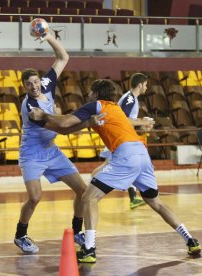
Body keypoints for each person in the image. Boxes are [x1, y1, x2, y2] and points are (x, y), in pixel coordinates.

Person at [29, 79, 201, 263]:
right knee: (155, 202)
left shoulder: (95, 105)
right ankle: (191, 241)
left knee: (88, 197)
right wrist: (46, 122)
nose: (88, 95)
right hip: (142, 154)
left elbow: (65, 122)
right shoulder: (115, 109)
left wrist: (44, 115)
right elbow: (66, 130)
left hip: (126, 154)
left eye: (90, 92)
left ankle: (89, 249)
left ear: (95, 94)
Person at [14, 31, 87, 254]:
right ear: (24, 87)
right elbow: (62, 128)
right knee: (35, 197)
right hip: (32, 154)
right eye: (29, 85)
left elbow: (63, 57)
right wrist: (87, 122)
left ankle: (77, 231)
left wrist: (47, 38)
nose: (34, 86)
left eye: (35, 81)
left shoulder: (46, 83)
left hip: (51, 151)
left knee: (83, 191)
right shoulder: (31, 108)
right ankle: (20, 235)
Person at [91, 73, 155, 209]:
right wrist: (142, 121)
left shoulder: (131, 99)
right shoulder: (130, 99)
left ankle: (133, 198)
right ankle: (91, 189)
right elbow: (123, 119)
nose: (147, 87)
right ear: (140, 85)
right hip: (119, 141)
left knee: (120, 167)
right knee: (114, 167)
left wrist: (141, 124)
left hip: (122, 140)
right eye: (146, 85)